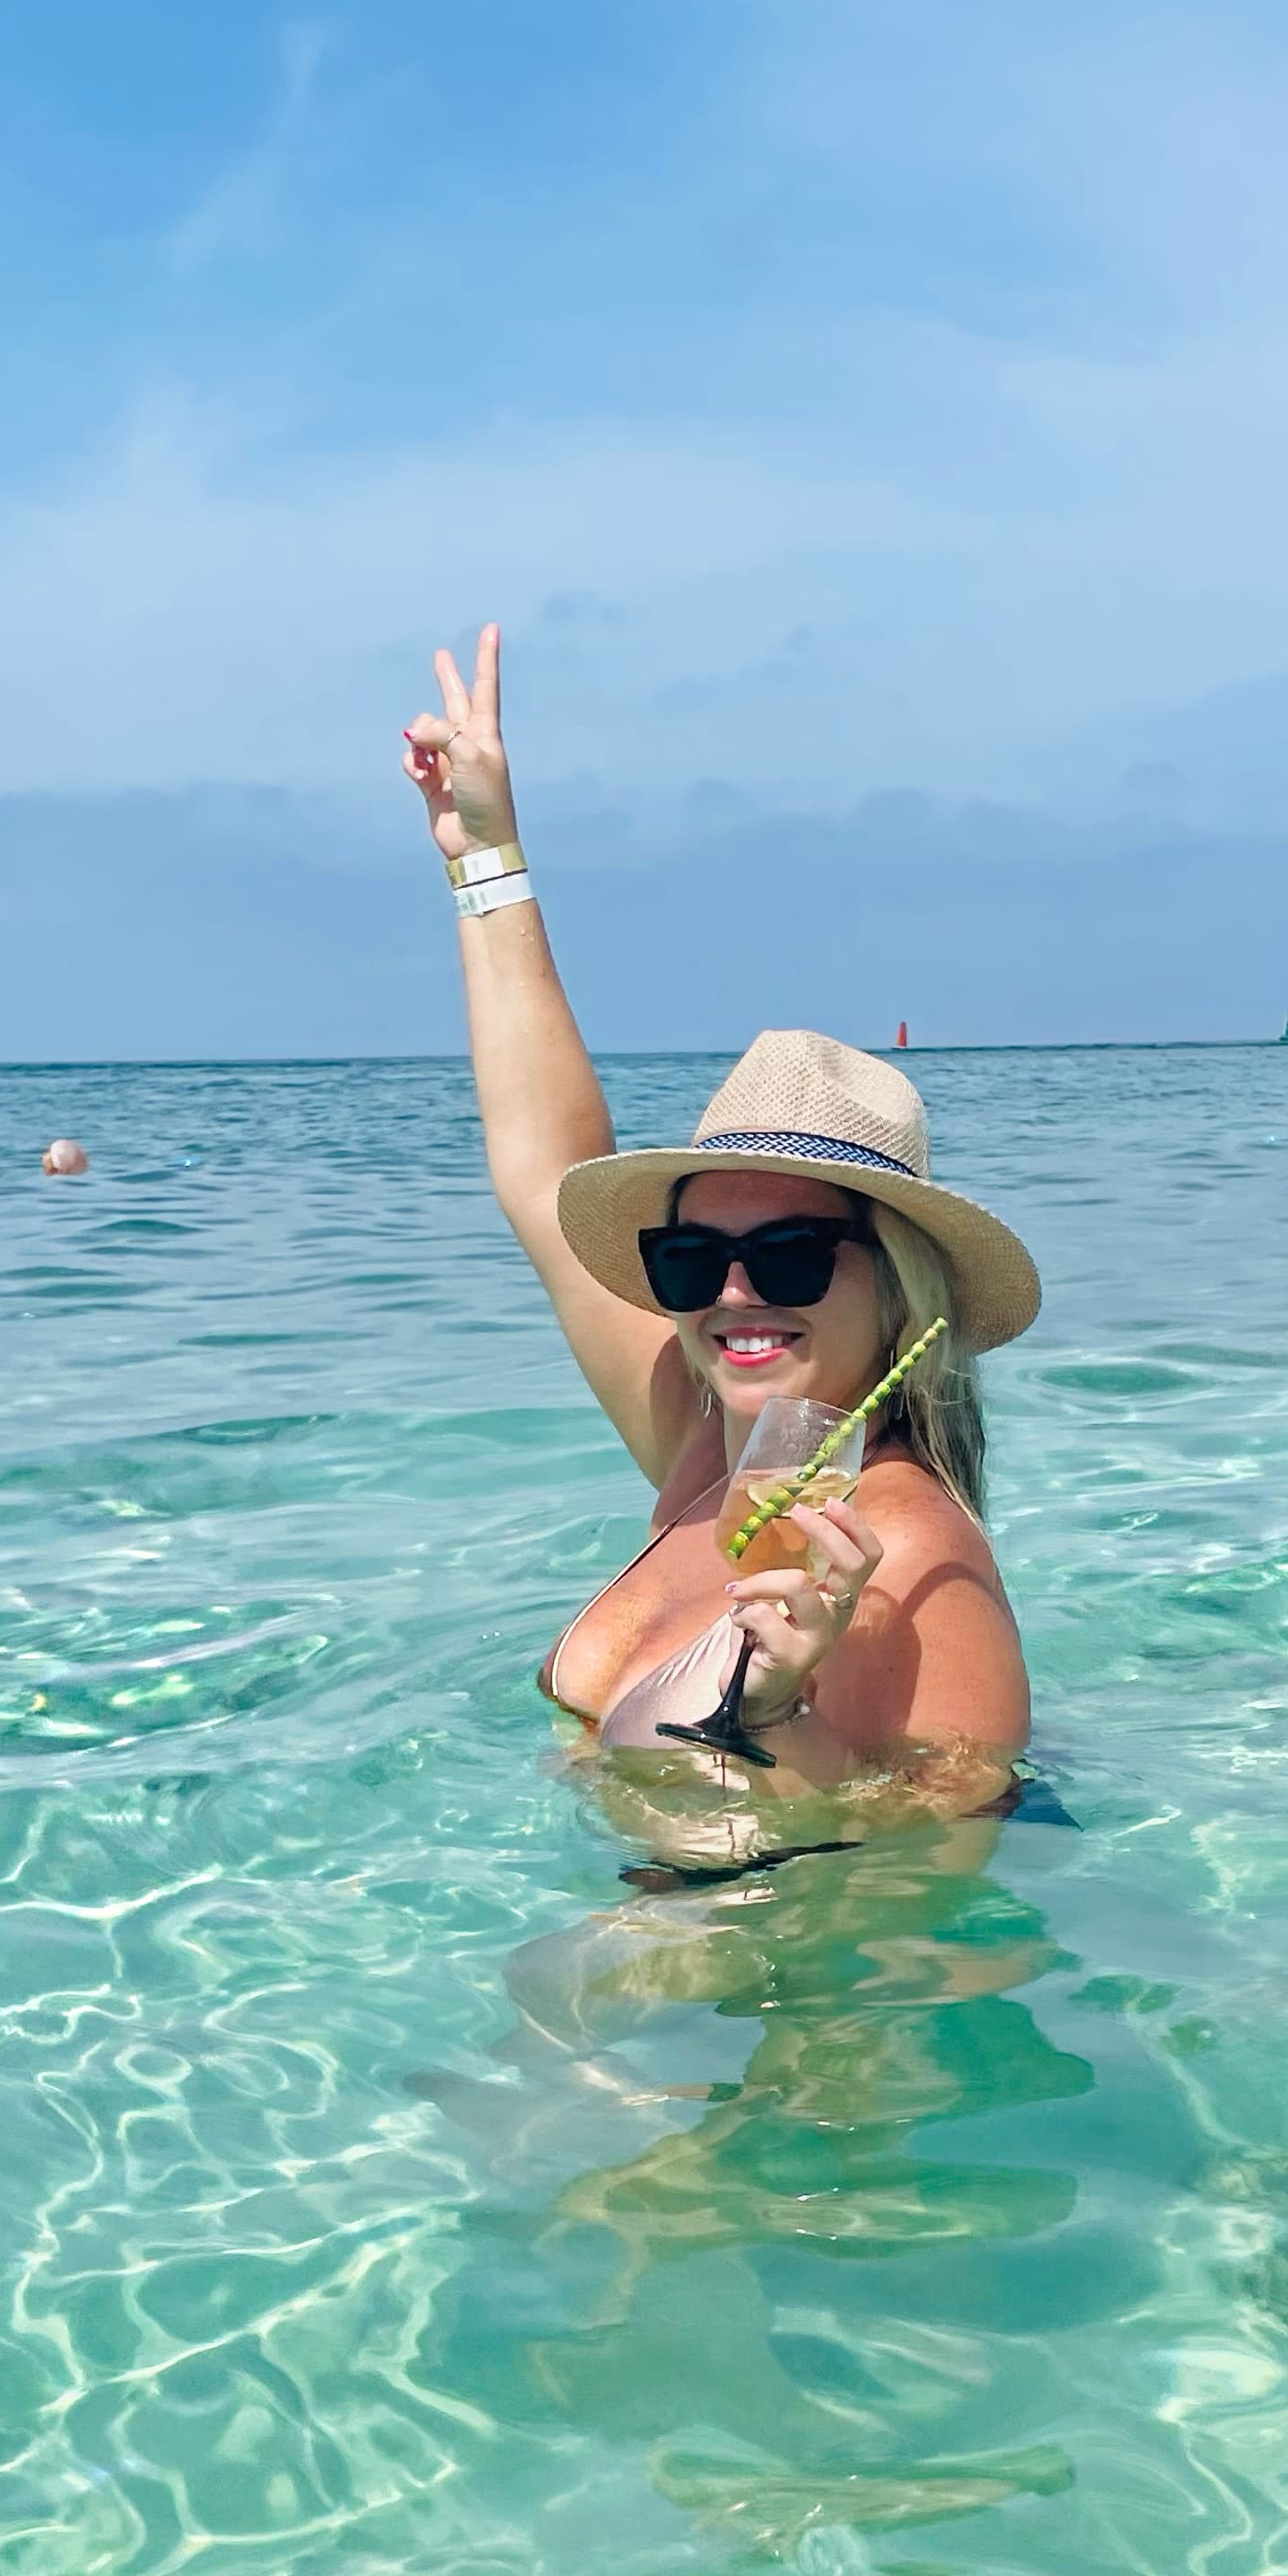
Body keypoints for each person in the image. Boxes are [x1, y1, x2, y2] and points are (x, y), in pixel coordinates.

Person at [403, 623, 1042, 1825]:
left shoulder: (917, 1567)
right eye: (691, 1258)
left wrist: (776, 1717)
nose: (734, 1294)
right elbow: (546, 1169)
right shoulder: (710, 1447)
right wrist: (486, 856)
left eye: (791, 1254)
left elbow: (916, 1902)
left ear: (898, 1290)